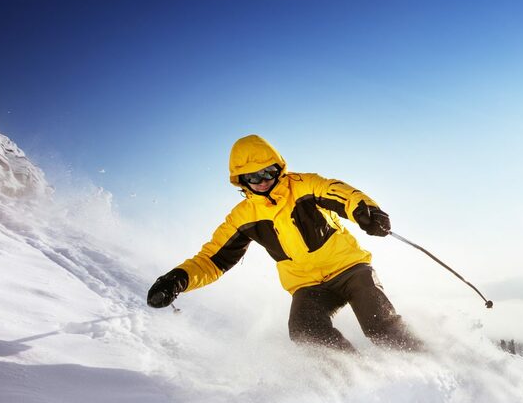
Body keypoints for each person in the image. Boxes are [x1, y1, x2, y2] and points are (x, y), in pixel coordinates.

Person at [146, 134, 422, 352]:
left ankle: (426, 367)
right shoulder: (242, 217)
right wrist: (176, 280)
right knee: (304, 331)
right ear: (241, 180)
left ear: (279, 167)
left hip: (350, 269)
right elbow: (212, 260)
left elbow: (342, 194)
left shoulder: (305, 185)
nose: (262, 181)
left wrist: (366, 211)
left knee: (379, 324)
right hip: (308, 286)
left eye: (267, 172)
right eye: (253, 177)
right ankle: (358, 384)